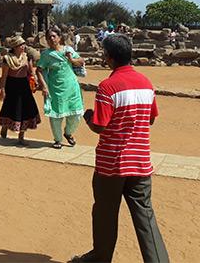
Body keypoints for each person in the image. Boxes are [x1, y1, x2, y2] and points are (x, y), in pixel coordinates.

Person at [71, 34, 169, 263]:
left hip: (112, 164)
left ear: (109, 57)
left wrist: (88, 117)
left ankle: (100, 257)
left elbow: (100, 126)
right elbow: (151, 119)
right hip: (141, 162)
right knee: (145, 216)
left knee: (105, 213)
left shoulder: (108, 86)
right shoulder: (146, 83)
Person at [36, 26, 84, 149]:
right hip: (55, 88)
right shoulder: (46, 55)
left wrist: (71, 59)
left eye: (54, 36)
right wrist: (44, 86)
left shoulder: (68, 50)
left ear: (59, 37)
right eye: (49, 37)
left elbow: (81, 61)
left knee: (76, 114)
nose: (52, 39)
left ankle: (68, 133)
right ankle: (58, 139)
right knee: (56, 115)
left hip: (72, 87)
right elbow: (39, 70)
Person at [0, 36, 40, 145]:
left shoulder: (26, 57)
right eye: (21, 45)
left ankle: (21, 136)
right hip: (12, 86)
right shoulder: (8, 59)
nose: (23, 46)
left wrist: (34, 79)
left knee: (25, 110)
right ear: (15, 47)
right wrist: (2, 89)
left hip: (24, 86)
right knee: (10, 108)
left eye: (23, 44)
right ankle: (5, 126)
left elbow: (30, 71)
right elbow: (4, 76)